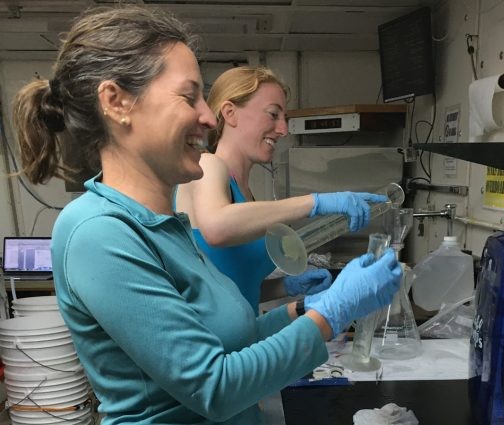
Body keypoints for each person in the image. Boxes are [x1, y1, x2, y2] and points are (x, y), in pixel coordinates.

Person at [12, 6, 402, 425]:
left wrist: (305, 307)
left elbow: (235, 341)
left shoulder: (166, 226)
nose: (207, 115)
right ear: (117, 101)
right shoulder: (98, 231)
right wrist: (333, 313)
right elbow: (213, 386)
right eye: (189, 95)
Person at [175, 65, 388, 313]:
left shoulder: (247, 194)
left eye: (283, 118)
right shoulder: (207, 166)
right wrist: (315, 202)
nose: (284, 129)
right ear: (230, 113)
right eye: (273, 115)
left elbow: (233, 286)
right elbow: (216, 228)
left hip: (242, 340)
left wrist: (285, 287)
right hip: (210, 346)